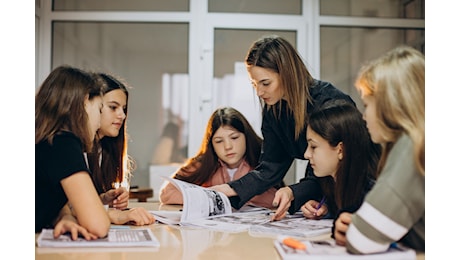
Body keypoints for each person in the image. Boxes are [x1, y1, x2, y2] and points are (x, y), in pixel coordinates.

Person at [210, 35, 355, 217]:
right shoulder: (274, 111)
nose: (260, 92)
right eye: (254, 84)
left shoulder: (330, 103)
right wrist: (230, 188)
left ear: (286, 73)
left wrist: (299, 192)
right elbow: (270, 167)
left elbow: (339, 166)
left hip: (352, 192)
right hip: (324, 196)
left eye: (265, 83)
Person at [333, 46, 425, 254]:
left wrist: (356, 228)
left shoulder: (413, 147)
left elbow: (362, 241)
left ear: (389, 105)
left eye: (367, 105)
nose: (364, 116)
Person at [36, 65, 110, 240]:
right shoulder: (63, 142)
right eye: (100, 110)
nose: (99, 122)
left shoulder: (46, 140)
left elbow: (46, 198)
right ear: (85, 101)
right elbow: (98, 226)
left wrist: (66, 217)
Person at [159, 107, 278, 209]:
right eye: (219, 141)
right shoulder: (203, 164)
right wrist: (208, 197)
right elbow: (166, 193)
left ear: (246, 137)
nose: (228, 146)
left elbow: (276, 198)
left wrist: (234, 193)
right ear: (212, 145)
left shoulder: (263, 165)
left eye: (234, 137)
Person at [286, 100, 380, 228]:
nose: (306, 154)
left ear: (340, 150)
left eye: (313, 146)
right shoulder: (331, 184)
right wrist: (326, 211)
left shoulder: (373, 194)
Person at [87, 72, 155, 226]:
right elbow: (64, 207)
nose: (122, 115)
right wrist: (111, 214)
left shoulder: (104, 150)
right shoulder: (72, 147)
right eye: (113, 107)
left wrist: (104, 200)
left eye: (123, 109)